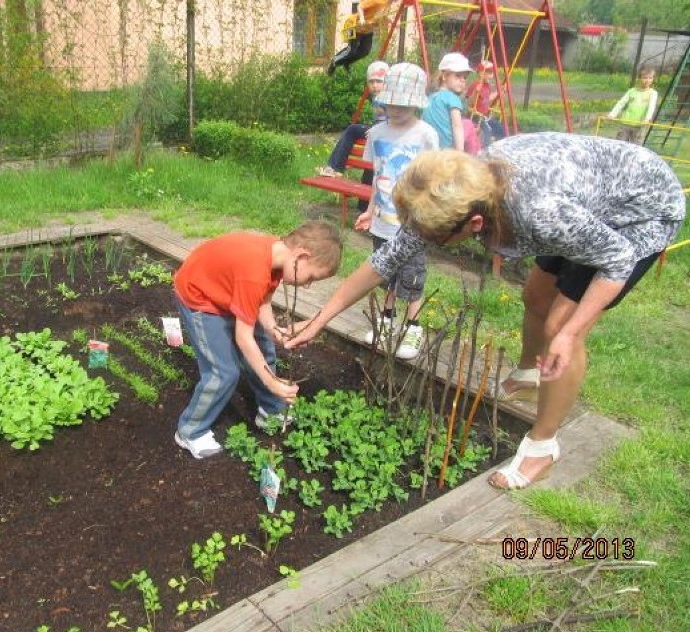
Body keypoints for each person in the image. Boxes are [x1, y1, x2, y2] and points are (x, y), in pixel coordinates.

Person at [284, 133, 685, 490]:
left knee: (561, 321)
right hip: (583, 198)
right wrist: (321, 319)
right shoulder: (455, 188)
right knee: (535, 296)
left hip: (638, 213)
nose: (425, 242)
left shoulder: (541, 214)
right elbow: (386, 261)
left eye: (437, 239)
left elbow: (617, 259)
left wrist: (569, 332)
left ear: (475, 222)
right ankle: (530, 374)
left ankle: (543, 446)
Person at [173, 221, 343, 459]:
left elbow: (262, 301)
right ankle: (190, 430)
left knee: (265, 348)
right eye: (311, 277)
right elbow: (243, 337)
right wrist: (271, 382)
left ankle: (271, 411)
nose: (307, 286)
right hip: (200, 298)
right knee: (223, 372)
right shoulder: (254, 271)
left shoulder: (276, 258)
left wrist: (273, 329)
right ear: (302, 256)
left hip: (226, 290)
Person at [354, 62, 438, 358]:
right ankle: (387, 320)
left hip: (413, 224)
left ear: (416, 103)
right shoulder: (376, 134)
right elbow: (378, 176)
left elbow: (432, 180)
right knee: (386, 273)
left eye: (404, 103)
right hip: (383, 221)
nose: (397, 108)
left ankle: (413, 326)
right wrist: (369, 208)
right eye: (392, 102)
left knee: (412, 277)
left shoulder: (425, 134)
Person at [317, 60, 389, 179]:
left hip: (387, 133)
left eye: (378, 81)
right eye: (371, 82)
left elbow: (395, 121)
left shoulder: (390, 99)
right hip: (376, 130)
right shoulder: (376, 98)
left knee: (353, 130)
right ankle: (334, 168)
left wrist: (377, 129)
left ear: (387, 82)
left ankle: (335, 167)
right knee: (352, 129)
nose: (374, 85)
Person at [422, 52, 480, 153]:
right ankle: (475, 158)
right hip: (448, 147)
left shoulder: (430, 97)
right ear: (444, 76)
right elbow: (456, 126)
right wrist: (459, 152)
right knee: (469, 124)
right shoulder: (452, 99)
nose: (462, 81)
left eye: (465, 77)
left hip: (430, 146)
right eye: (457, 76)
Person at [327, 0, 393, 75]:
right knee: (351, 51)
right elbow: (360, 6)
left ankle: (347, 63)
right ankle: (334, 61)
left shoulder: (388, 4)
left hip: (368, 29)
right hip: (356, 26)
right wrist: (362, 18)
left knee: (365, 51)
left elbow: (378, 15)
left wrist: (387, 19)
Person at [607, 65, 658, 145]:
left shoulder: (653, 93)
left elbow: (651, 107)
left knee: (636, 148)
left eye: (650, 78)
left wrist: (647, 119)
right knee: (619, 145)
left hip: (640, 125)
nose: (647, 80)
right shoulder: (631, 91)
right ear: (640, 78)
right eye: (645, 78)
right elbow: (621, 103)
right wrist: (612, 114)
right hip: (625, 123)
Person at [466, 60, 505, 148]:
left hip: (485, 116)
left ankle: (500, 146)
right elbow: (469, 102)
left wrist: (499, 92)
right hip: (475, 116)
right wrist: (475, 92)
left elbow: (488, 98)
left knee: (500, 128)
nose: (491, 76)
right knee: (487, 132)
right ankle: (486, 150)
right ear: (481, 73)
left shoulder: (487, 86)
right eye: (489, 73)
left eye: (492, 73)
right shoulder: (475, 85)